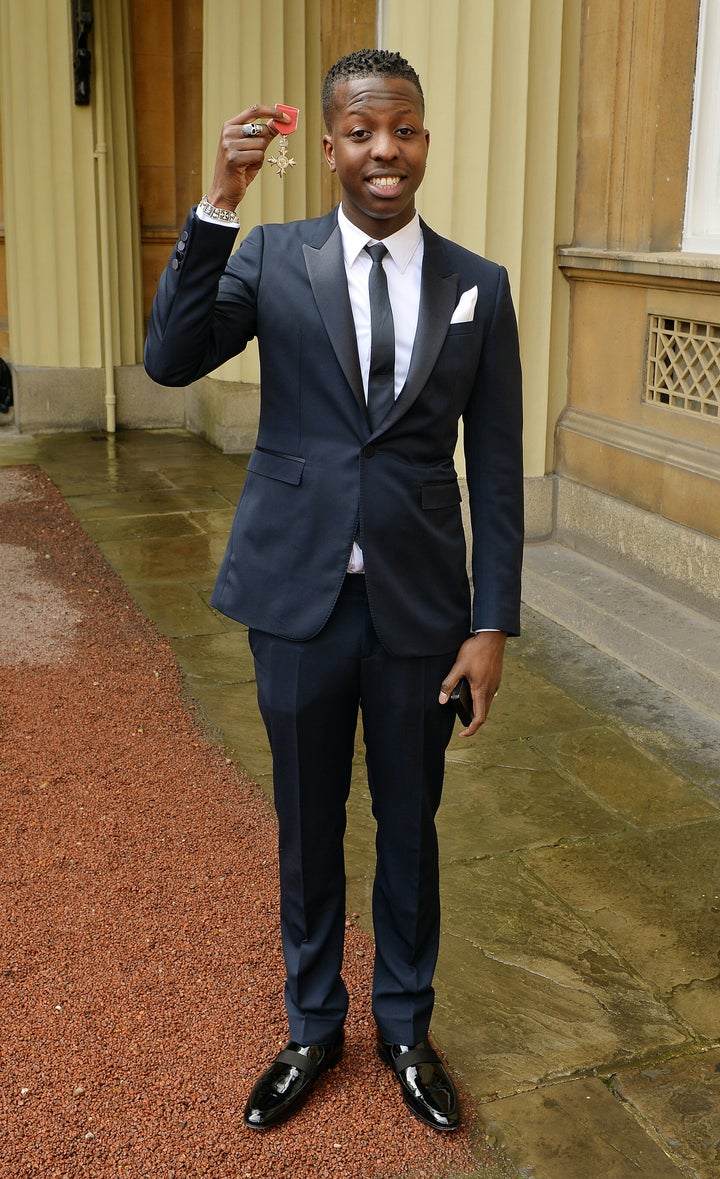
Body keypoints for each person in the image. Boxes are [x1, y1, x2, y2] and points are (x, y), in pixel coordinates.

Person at [145, 48, 523, 1134]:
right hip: (297, 601)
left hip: (421, 612)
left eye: (401, 130)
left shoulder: (477, 288)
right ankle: (313, 1023)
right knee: (309, 827)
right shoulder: (271, 257)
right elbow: (170, 358)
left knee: (412, 825)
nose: (384, 152)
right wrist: (220, 199)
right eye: (361, 133)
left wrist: (491, 624)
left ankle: (405, 1025)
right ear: (328, 147)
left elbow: (495, 473)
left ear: (424, 140)